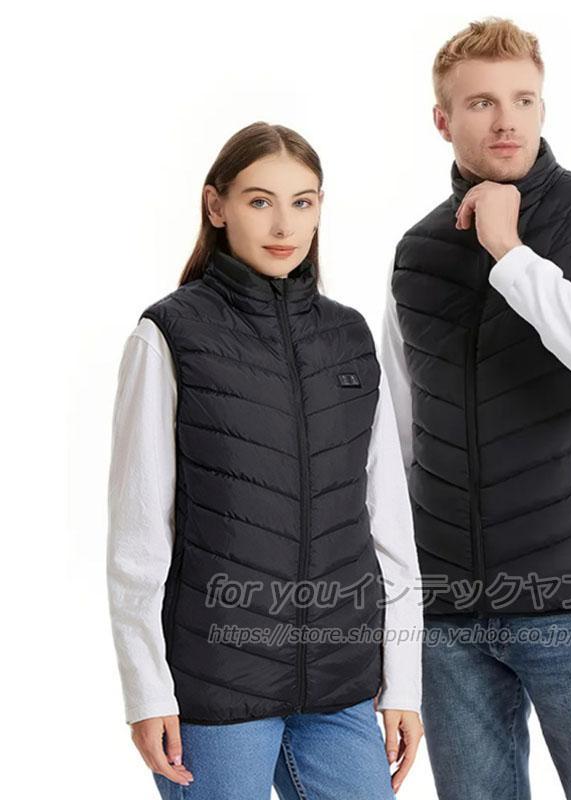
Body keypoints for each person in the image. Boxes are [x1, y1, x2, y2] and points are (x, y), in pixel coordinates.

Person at [380, 17, 571, 800]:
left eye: (523, 99)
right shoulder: (415, 253)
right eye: (481, 103)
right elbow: (397, 435)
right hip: (448, 615)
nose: (506, 121)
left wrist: (510, 252)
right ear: (443, 120)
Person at [107, 121, 424, 799]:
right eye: (260, 201)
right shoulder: (170, 334)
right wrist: (146, 692)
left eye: (302, 202)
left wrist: (404, 682)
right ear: (216, 206)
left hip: (340, 681)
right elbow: (139, 534)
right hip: (216, 685)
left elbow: (388, 524)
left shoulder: (348, 337)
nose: (285, 224)